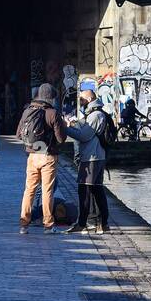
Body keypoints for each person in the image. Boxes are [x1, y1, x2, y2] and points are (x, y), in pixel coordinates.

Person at [18, 83, 67, 234]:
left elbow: (19, 134)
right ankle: (48, 225)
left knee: (29, 190)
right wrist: (63, 125)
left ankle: (24, 224)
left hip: (32, 156)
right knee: (47, 191)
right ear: (51, 97)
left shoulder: (28, 111)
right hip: (48, 156)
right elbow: (61, 139)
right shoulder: (53, 113)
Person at [64, 89, 112, 234]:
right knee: (97, 190)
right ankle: (102, 224)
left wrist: (65, 129)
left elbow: (84, 136)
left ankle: (84, 223)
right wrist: (73, 125)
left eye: (82, 99)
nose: (81, 101)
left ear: (90, 99)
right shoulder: (94, 114)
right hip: (95, 156)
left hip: (92, 157)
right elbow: (85, 130)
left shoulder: (95, 115)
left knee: (84, 190)